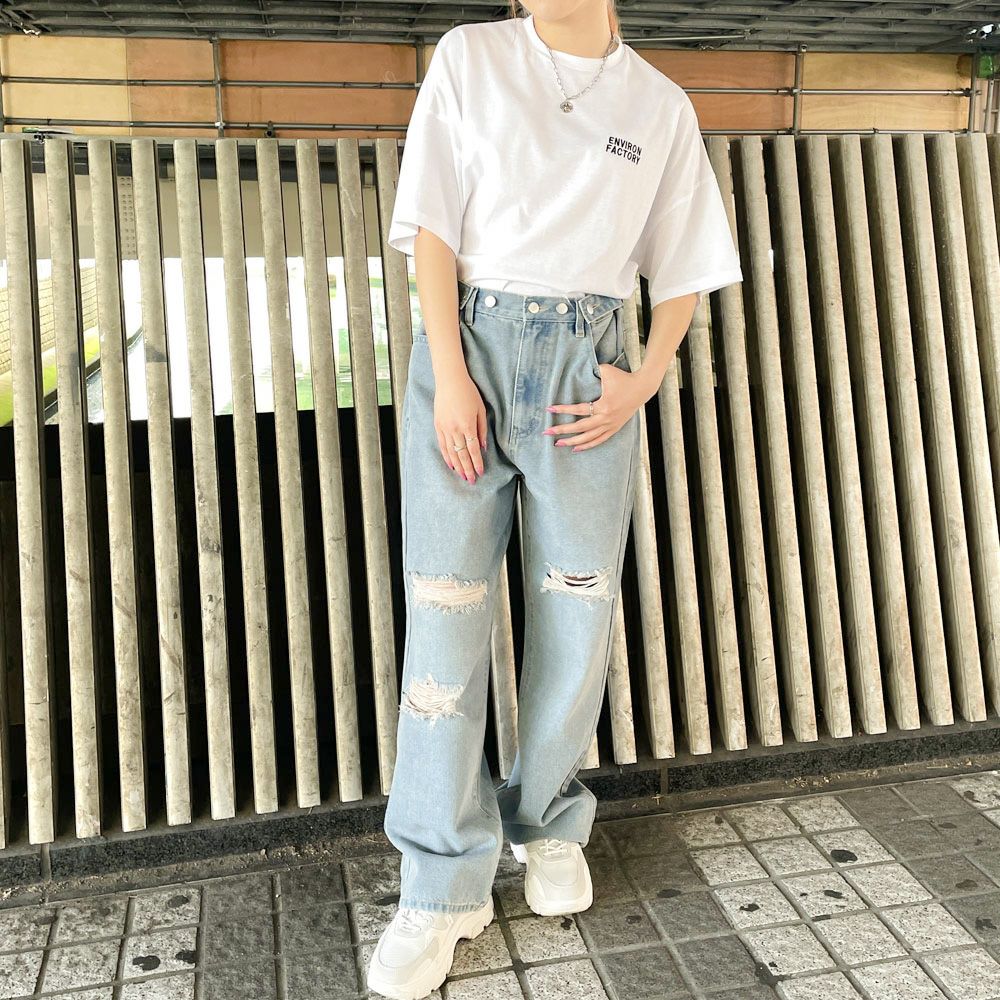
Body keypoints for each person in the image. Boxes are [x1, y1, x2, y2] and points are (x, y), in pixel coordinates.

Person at [367, 1, 743, 996]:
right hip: (470, 348)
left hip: (590, 367)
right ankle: (441, 883)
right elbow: (433, 226)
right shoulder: (471, 56)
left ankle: (546, 820)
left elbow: (684, 262)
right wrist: (452, 373)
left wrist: (644, 376)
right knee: (445, 611)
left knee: (576, 607)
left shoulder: (657, 104)